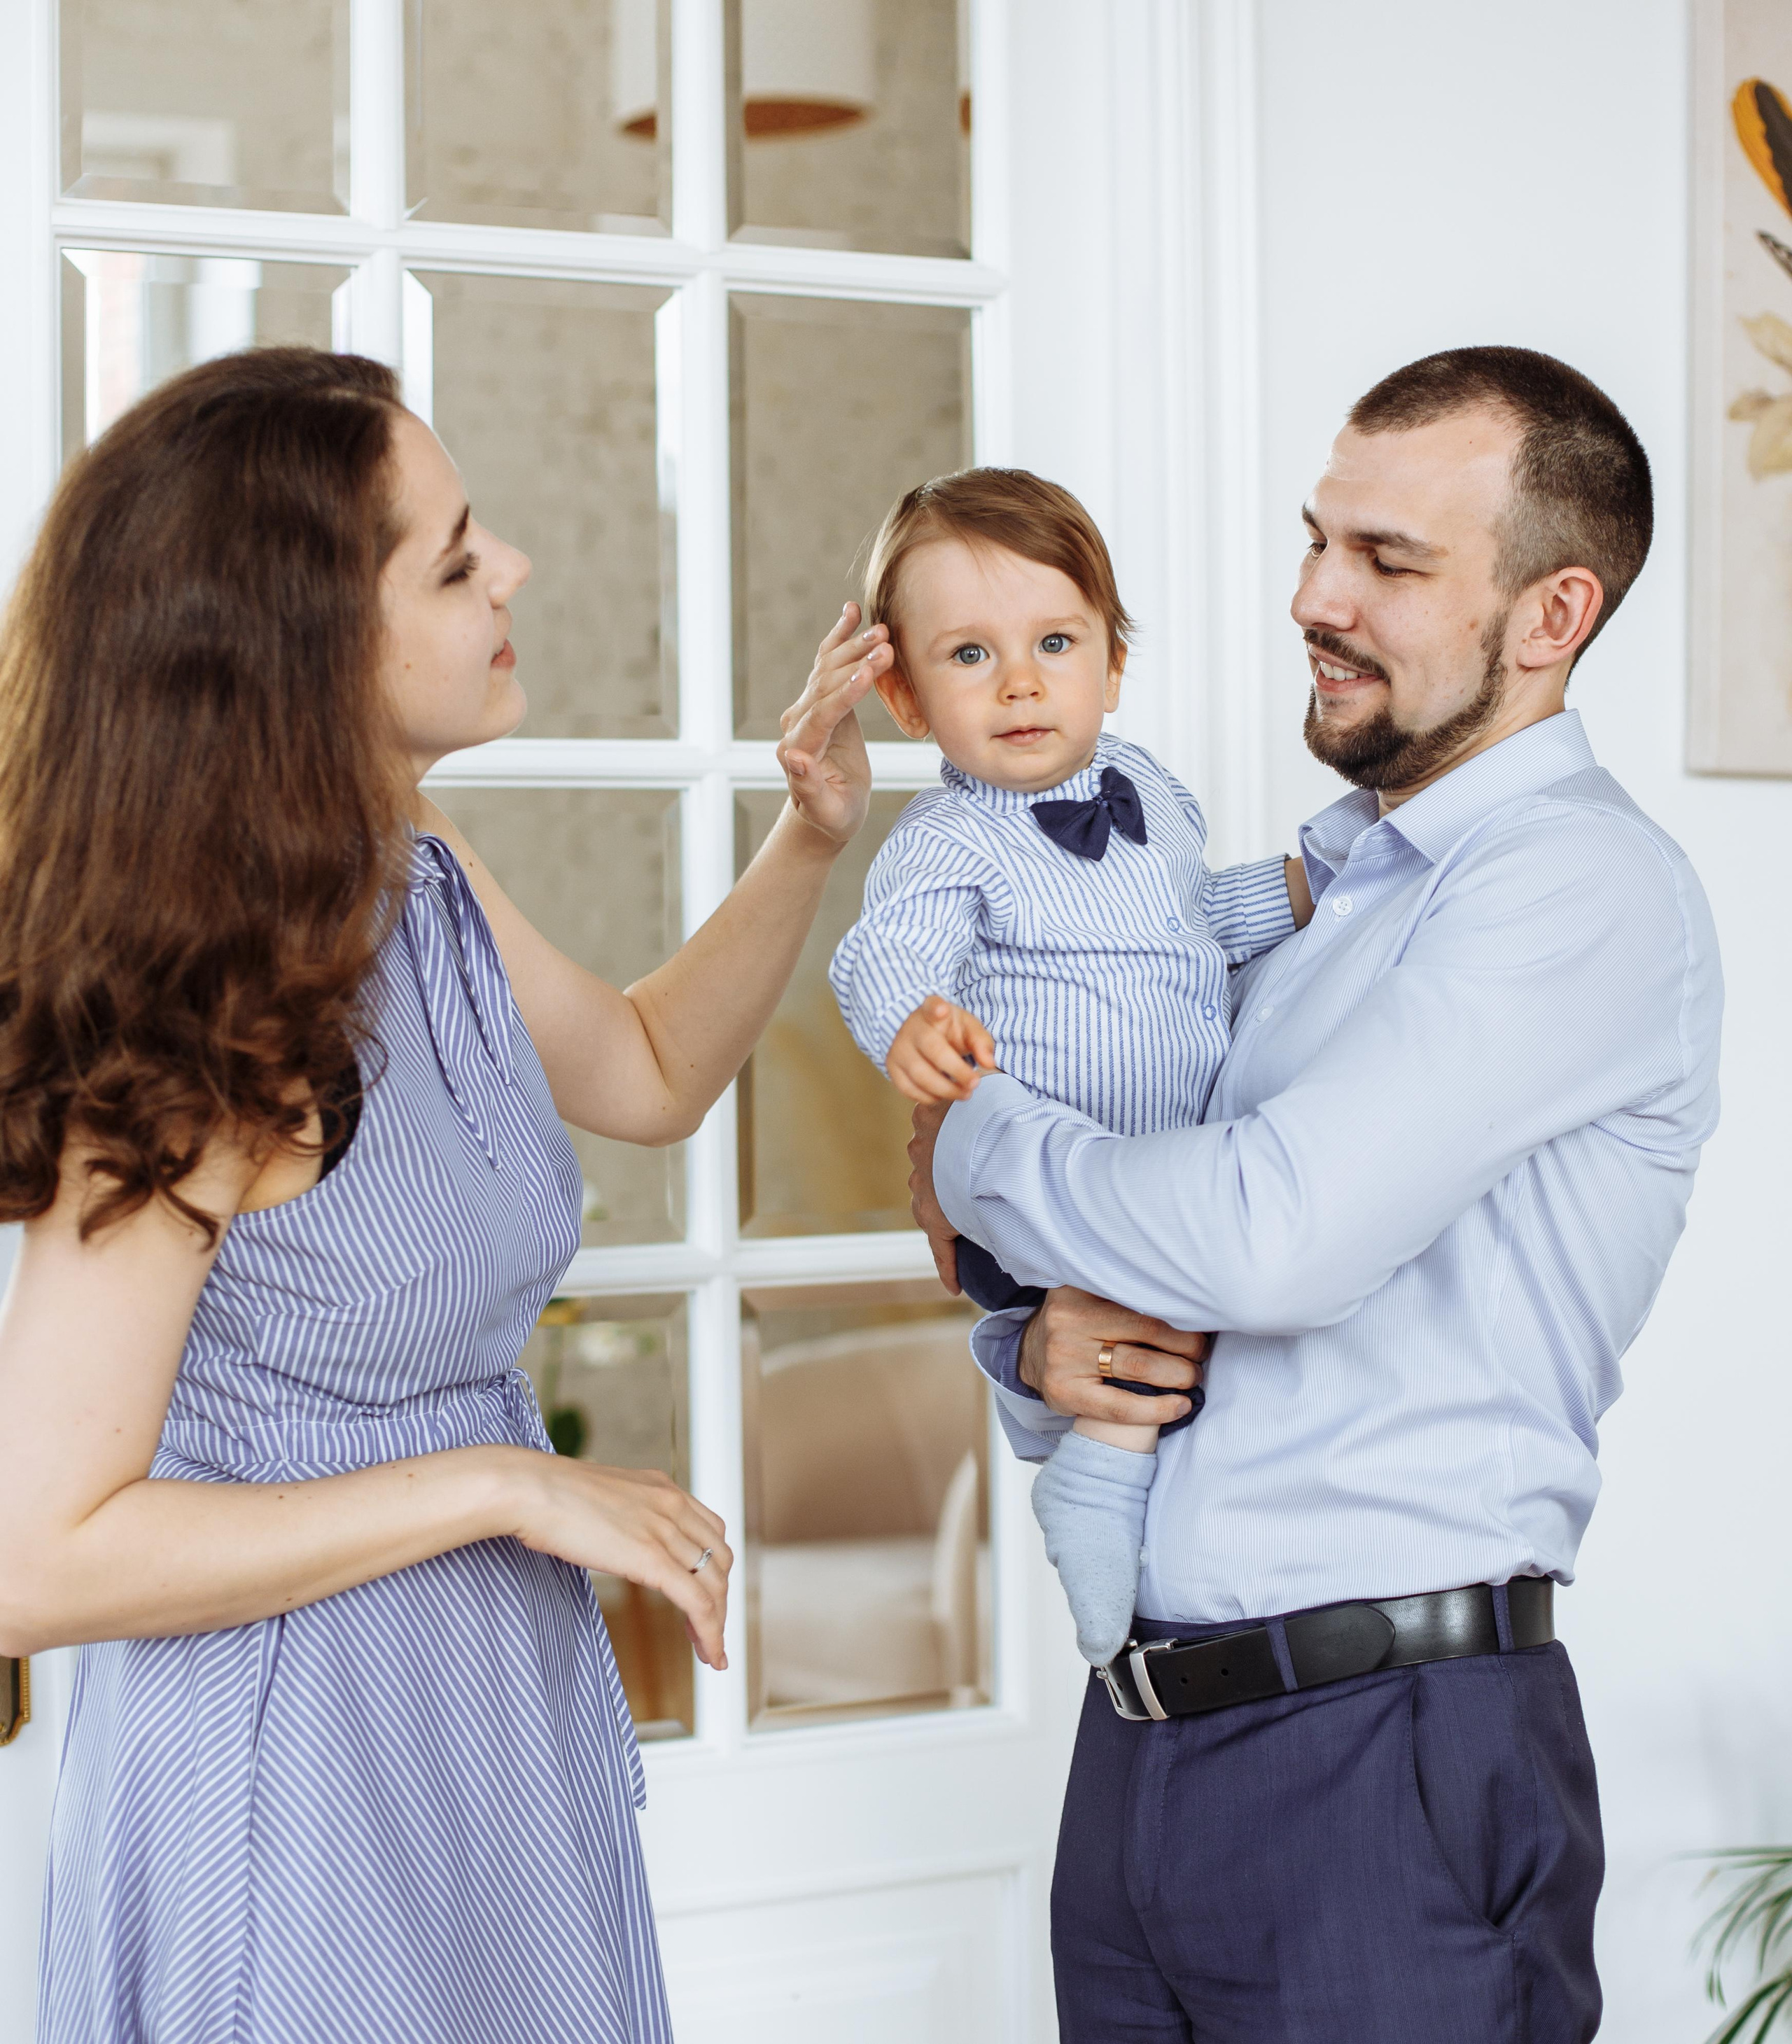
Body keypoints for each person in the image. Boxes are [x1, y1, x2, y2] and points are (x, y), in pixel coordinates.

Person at [0, 346, 884, 2044]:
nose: (515, 573)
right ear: (308, 641)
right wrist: (499, 1479)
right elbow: (37, 1555)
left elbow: (642, 1069)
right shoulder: (195, 1029)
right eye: (457, 555)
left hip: (481, 1705)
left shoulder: (424, 888)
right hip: (297, 1760)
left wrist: (808, 838)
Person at [904, 348, 1723, 2040]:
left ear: (1549, 613)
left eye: (1387, 561)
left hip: (1386, 1765)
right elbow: (1148, 1257)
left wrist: (969, 1142)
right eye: (1314, 541)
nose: (1311, 598)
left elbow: (1256, 1236)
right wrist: (1039, 1346)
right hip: (1147, 1746)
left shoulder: (1574, 883)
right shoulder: (1318, 896)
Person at [828, 468, 1311, 1666]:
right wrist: (912, 1025)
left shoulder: (1153, 791)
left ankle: (1104, 1466)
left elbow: (1196, 919)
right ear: (902, 694)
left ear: (1114, 657)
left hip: (1159, 1150)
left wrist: (1308, 885)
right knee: (1147, 1299)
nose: (1025, 682)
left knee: (1191, 1295)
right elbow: (880, 952)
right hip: (1046, 1166)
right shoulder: (948, 839)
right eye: (971, 657)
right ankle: (1092, 1482)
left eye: (1055, 641)